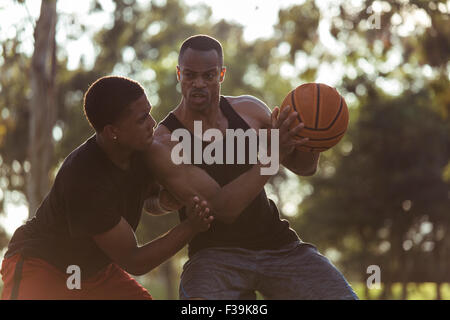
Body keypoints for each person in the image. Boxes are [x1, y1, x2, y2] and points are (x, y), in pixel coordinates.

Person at [145, 35, 358, 300]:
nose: (198, 84)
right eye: (190, 75)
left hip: (279, 246)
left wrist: (310, 135)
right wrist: (274, 155)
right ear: (179, 74)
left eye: (209, 75)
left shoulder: (249, 110)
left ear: (221, 74)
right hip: (214, 255)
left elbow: (303, 167)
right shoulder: (165, 140)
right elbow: (223, 210)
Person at [0, 76, 213, 300]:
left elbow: (149, 200)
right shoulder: (84, 179)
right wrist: (191, 227)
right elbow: (135, 260)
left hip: (92, 271)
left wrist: (162, 202)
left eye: (149, 112)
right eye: (142, 119)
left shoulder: (140, 150)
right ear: (113, 131)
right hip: (41, 264)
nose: (152, 123)